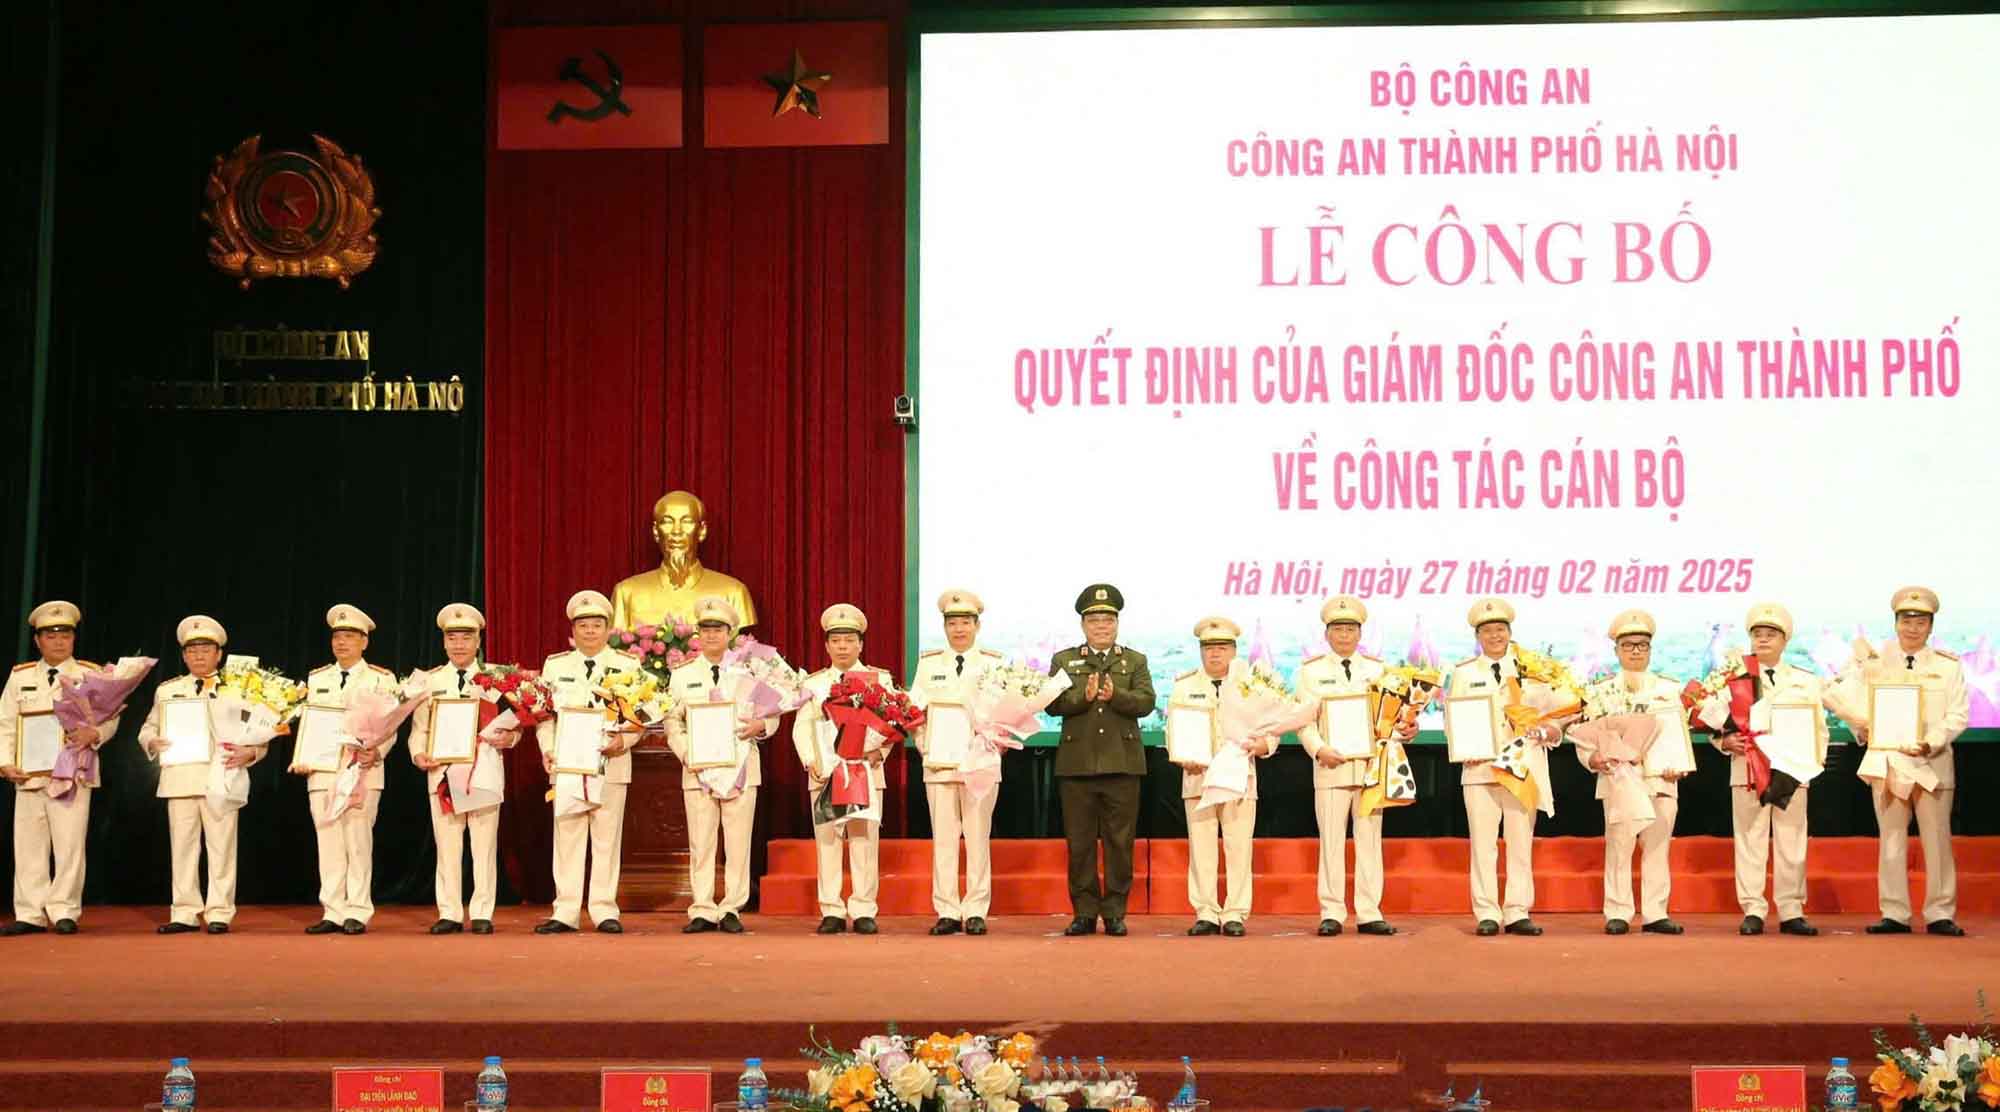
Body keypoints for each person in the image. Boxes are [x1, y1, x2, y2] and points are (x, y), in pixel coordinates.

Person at [1825, 586, 1969, 937]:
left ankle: (1939, 913)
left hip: (1931, 765)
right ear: (1896, 622)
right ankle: (1894, 912)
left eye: (1921, 621)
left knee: (1937, 841)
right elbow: (1848, 701)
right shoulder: (1874, 663)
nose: (1913, 627)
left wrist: (1930, 743)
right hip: (1887, 765)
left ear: (1931, 626)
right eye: (1907, 619)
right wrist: (1864, 729)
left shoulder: (1948, 667)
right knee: (1890, 839)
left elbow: (1958, 715)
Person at [137, 615, 263, 934]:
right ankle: (184, 911)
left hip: (222, 776)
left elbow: (259, 731)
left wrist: (253, 752)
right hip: (180, 777)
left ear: (219, 654)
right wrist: (152, 741)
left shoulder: (239, 688)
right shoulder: (168, 690)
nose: (198, 655)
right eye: (192, 650)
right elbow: (148, 728)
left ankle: (219, 911)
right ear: (183, 655)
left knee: (221, 847)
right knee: (183, 848)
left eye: (206, 649)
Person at [0, 601, 119, 936]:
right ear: (37, 640)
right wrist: (4, 762)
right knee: (27, 846)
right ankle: (30, 912)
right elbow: (5, 723)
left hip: (73, 773)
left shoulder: (89, 673)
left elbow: (111, 719)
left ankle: (65, 910)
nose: (58, 640)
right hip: (28, 775)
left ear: (73, 638)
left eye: (64, 634)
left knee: (69, 845)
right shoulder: (20, 675)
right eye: (50, 635)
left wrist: (95, 733)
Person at [1045, 583, 1157, 937]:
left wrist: (1116, 695)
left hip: (1122, 764)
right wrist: (1083, 696)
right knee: (1079, 844)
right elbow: (1050, 704)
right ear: (1083, 624)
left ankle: (1114, 912)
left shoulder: (1135, 660)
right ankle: (1083, 912)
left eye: (1108, 619)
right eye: (1094, 619)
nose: (1101, 625)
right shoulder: (1064, 660)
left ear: (1117, 623)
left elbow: (1146, 701)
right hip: (1076, 764)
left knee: (1120, 844)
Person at [1448, 597, 1563, 937]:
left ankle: (1517, 910)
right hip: (1479, 769)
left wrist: (1548, 731)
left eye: (1500, 629)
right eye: (1487, 630)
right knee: (1482, 844)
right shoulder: (1464, 672)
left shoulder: (1535, 671)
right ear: (1477, 636)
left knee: (1519, 841)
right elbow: (1452, 719)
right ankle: (1487, 912)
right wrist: (1463, 747)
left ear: (1510, 633)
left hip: (1521, 768)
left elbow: (1555, 720)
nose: (1494, 636)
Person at [1712, 602, 1826, 937]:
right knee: (1750, 840)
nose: (1763, 640)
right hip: (1747, 769)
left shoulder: (1806, 681)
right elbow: (1717, 727)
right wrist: (1724, 743)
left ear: (1784, 640)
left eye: (1770, 635)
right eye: (1757, 635)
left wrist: (1810, 767)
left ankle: (1791, 909)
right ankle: (1753, 909)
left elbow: (1819, 729)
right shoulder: (1733, 679)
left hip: (1793, 770)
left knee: (1792, 841)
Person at [1571, 609, 1687, 936]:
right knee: (1619, 846)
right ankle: (1618, 911)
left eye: (1642, 645)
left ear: (1650, 649)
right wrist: (1592, 759)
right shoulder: (1599, 691)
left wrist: (1680, 763)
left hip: (1660, 778)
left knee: (1657, 846)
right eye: (1628, 645)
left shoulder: (1670, 689)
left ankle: (1655, 912)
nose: (1636, 651)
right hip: (1618, 779)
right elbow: (1584, 734)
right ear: (1617, 650)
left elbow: (1679, 736)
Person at [665, 595, 776, 934]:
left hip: (740, 767)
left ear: (731, 633)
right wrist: (687, 753)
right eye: (706, 629)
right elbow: (673, 722)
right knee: (701, 842)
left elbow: (772, 713)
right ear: (697, 634)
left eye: (718, 629)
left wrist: (763, 726)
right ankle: (701, 907)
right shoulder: (683, 674)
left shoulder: (751, 669)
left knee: (738, 840)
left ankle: (731, 907)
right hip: (698, 770)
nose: (711, 635)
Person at [1294, 595, 1403, 937]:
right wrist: (1319, 748)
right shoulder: (1310, 672)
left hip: (1371, 769)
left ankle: (1369, 911)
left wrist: (1404, 730)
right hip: (1330, 767)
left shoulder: (1377, 669)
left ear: (1360, 633)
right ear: (1326, 634)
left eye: (1351, 628)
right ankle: (1332, 911)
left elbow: (1389, 720)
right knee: (1330, 840)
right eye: (1338, 628)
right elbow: (1303, 721)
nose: (1344, 635)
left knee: (1370, 839)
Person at [533, 590, 640, 934]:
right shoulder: (556, 665)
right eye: (583, 625)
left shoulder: (627, 665)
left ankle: (604, 909)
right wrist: (547, 748)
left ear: (608, 629)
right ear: (573, 630)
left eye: (596, 625)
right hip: (567, 766)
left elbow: (639, 716)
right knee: (568, 838)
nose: (590, 631)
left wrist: (624, 740)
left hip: (611, 764)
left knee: (607, 838)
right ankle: (565, 910)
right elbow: (544, 716)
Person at [292, 604, 399, 935]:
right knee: (328, 842)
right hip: (322, 771)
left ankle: (358, 909)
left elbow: (392, 726)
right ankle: (333, 909)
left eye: (350, 637)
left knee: (357, 840)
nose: (342, 643)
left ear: (364, 642)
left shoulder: (381, 678)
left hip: (362, 771)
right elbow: (307, 722)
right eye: (337, 636)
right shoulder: (315, 678)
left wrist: (376, 751)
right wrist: (303, 753)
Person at [793, 603, 895, 935]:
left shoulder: (879, 679)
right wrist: (812, 761)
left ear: (861, 644)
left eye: (849, 640)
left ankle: (864, 908)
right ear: (826, 645)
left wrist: (880, 750)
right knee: (828, 841)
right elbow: (802, 726)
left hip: (864, 770)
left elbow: (894, 720)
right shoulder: (814, 683)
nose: (842, 647)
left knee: (864, 841)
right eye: (835, 640)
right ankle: (832, 909)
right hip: (826, 773)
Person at [1167, 616, 1273, 937]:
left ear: (1234, 650)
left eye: (1222, 647)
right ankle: (1206, 911)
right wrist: (1182, 756)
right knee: (1201, 847)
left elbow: (1270, 726)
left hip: (1240, 777)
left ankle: (1235, 913)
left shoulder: (1251, 684)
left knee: (1239, 846)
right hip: (1197, 776)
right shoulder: (1184, 685)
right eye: (1209, 648)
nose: (1215, 654)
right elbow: (1174, 730)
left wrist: (1264, 744)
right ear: (1201, 651)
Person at [909, 588, 1004, 936]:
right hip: (939, 766)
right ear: (944, 627)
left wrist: (998, 743)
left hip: (980, 766)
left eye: (965, 622)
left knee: (978, 837)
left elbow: (1004, 715)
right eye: (952, 623)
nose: (959, 629)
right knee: (945, 839)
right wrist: (924, 746)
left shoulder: (994, 663)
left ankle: (976, 909)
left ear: (977, 625)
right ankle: (947, 909)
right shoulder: (930, 663)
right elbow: (913, 712)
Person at [408, 603, 503, 934]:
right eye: (452, 637)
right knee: (447, 845)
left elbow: (513, 725)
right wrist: (419, 755)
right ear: (444, 643)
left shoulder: (496, 679)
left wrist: (511, 737)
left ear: (478, 641)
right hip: (443, 773)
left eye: (467, 637)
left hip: (484, 773)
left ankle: (481, 912)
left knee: (483, 846)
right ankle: (449, 911)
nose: (459, 644)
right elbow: (419, 729)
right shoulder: (430, 681)